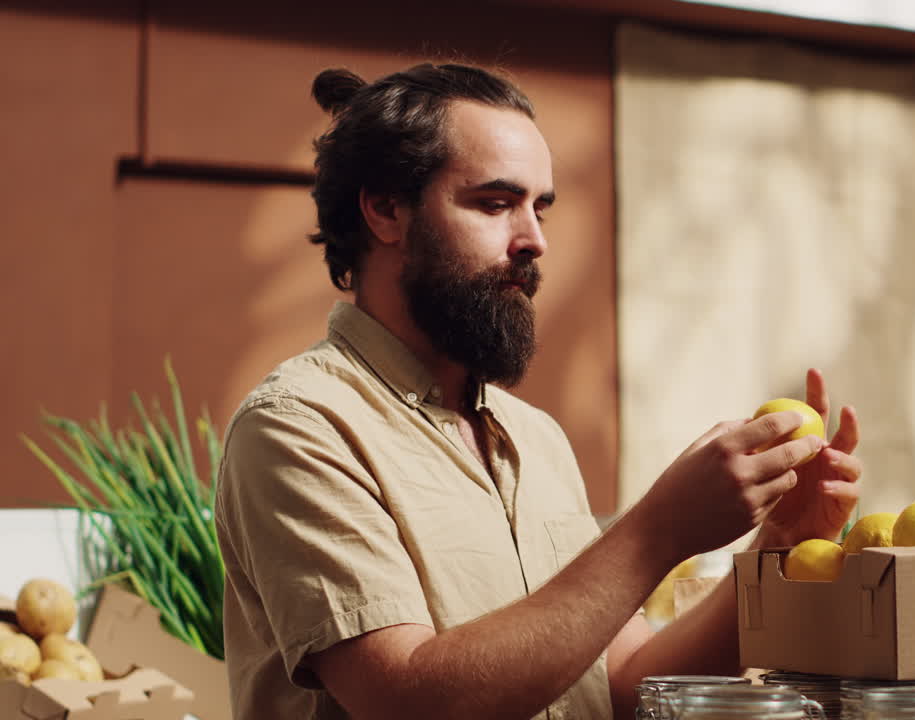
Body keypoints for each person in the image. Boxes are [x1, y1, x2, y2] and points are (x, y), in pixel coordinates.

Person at [214, 61, 863, 720]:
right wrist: (657, 532)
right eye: (495, 204)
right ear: (386, 210)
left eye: (539, 207)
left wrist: (774, 547)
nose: (535, 240)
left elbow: (629, 684)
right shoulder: (300, 426)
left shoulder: (534, 438)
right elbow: (406, 701)